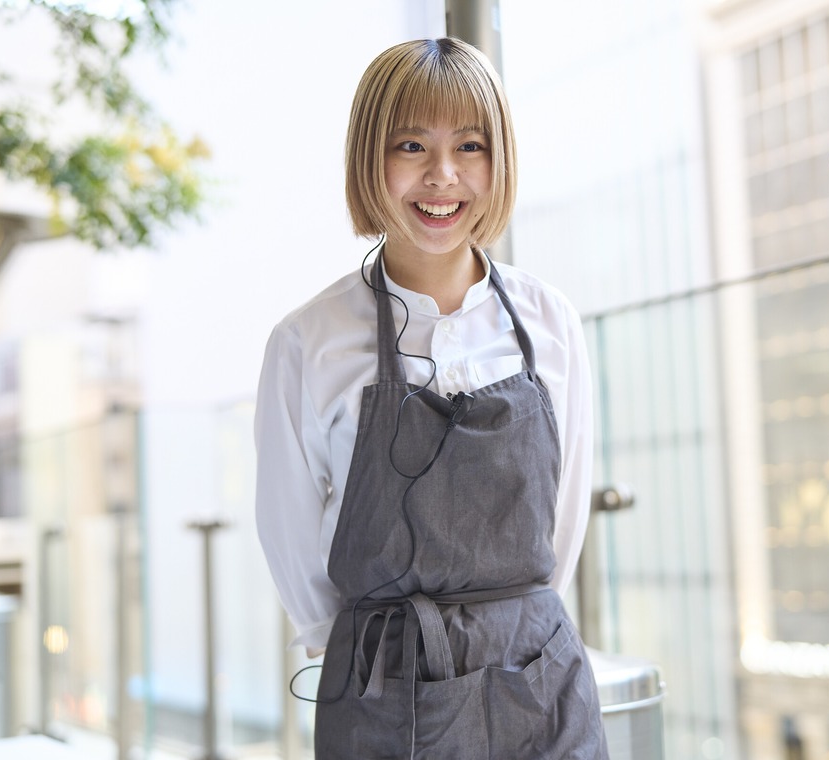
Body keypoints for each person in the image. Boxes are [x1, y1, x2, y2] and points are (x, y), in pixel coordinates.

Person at [255, 37, 609, 758]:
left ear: (498, 160)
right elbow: (290, 542)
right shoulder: (306, 342)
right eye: (411, 145)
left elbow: (561, 530)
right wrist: (371, 661)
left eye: (470, 146)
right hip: (385, 693)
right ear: (369, 159)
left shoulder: (551, 323)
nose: (442, 177)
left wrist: (506, 628)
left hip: (538, 688)